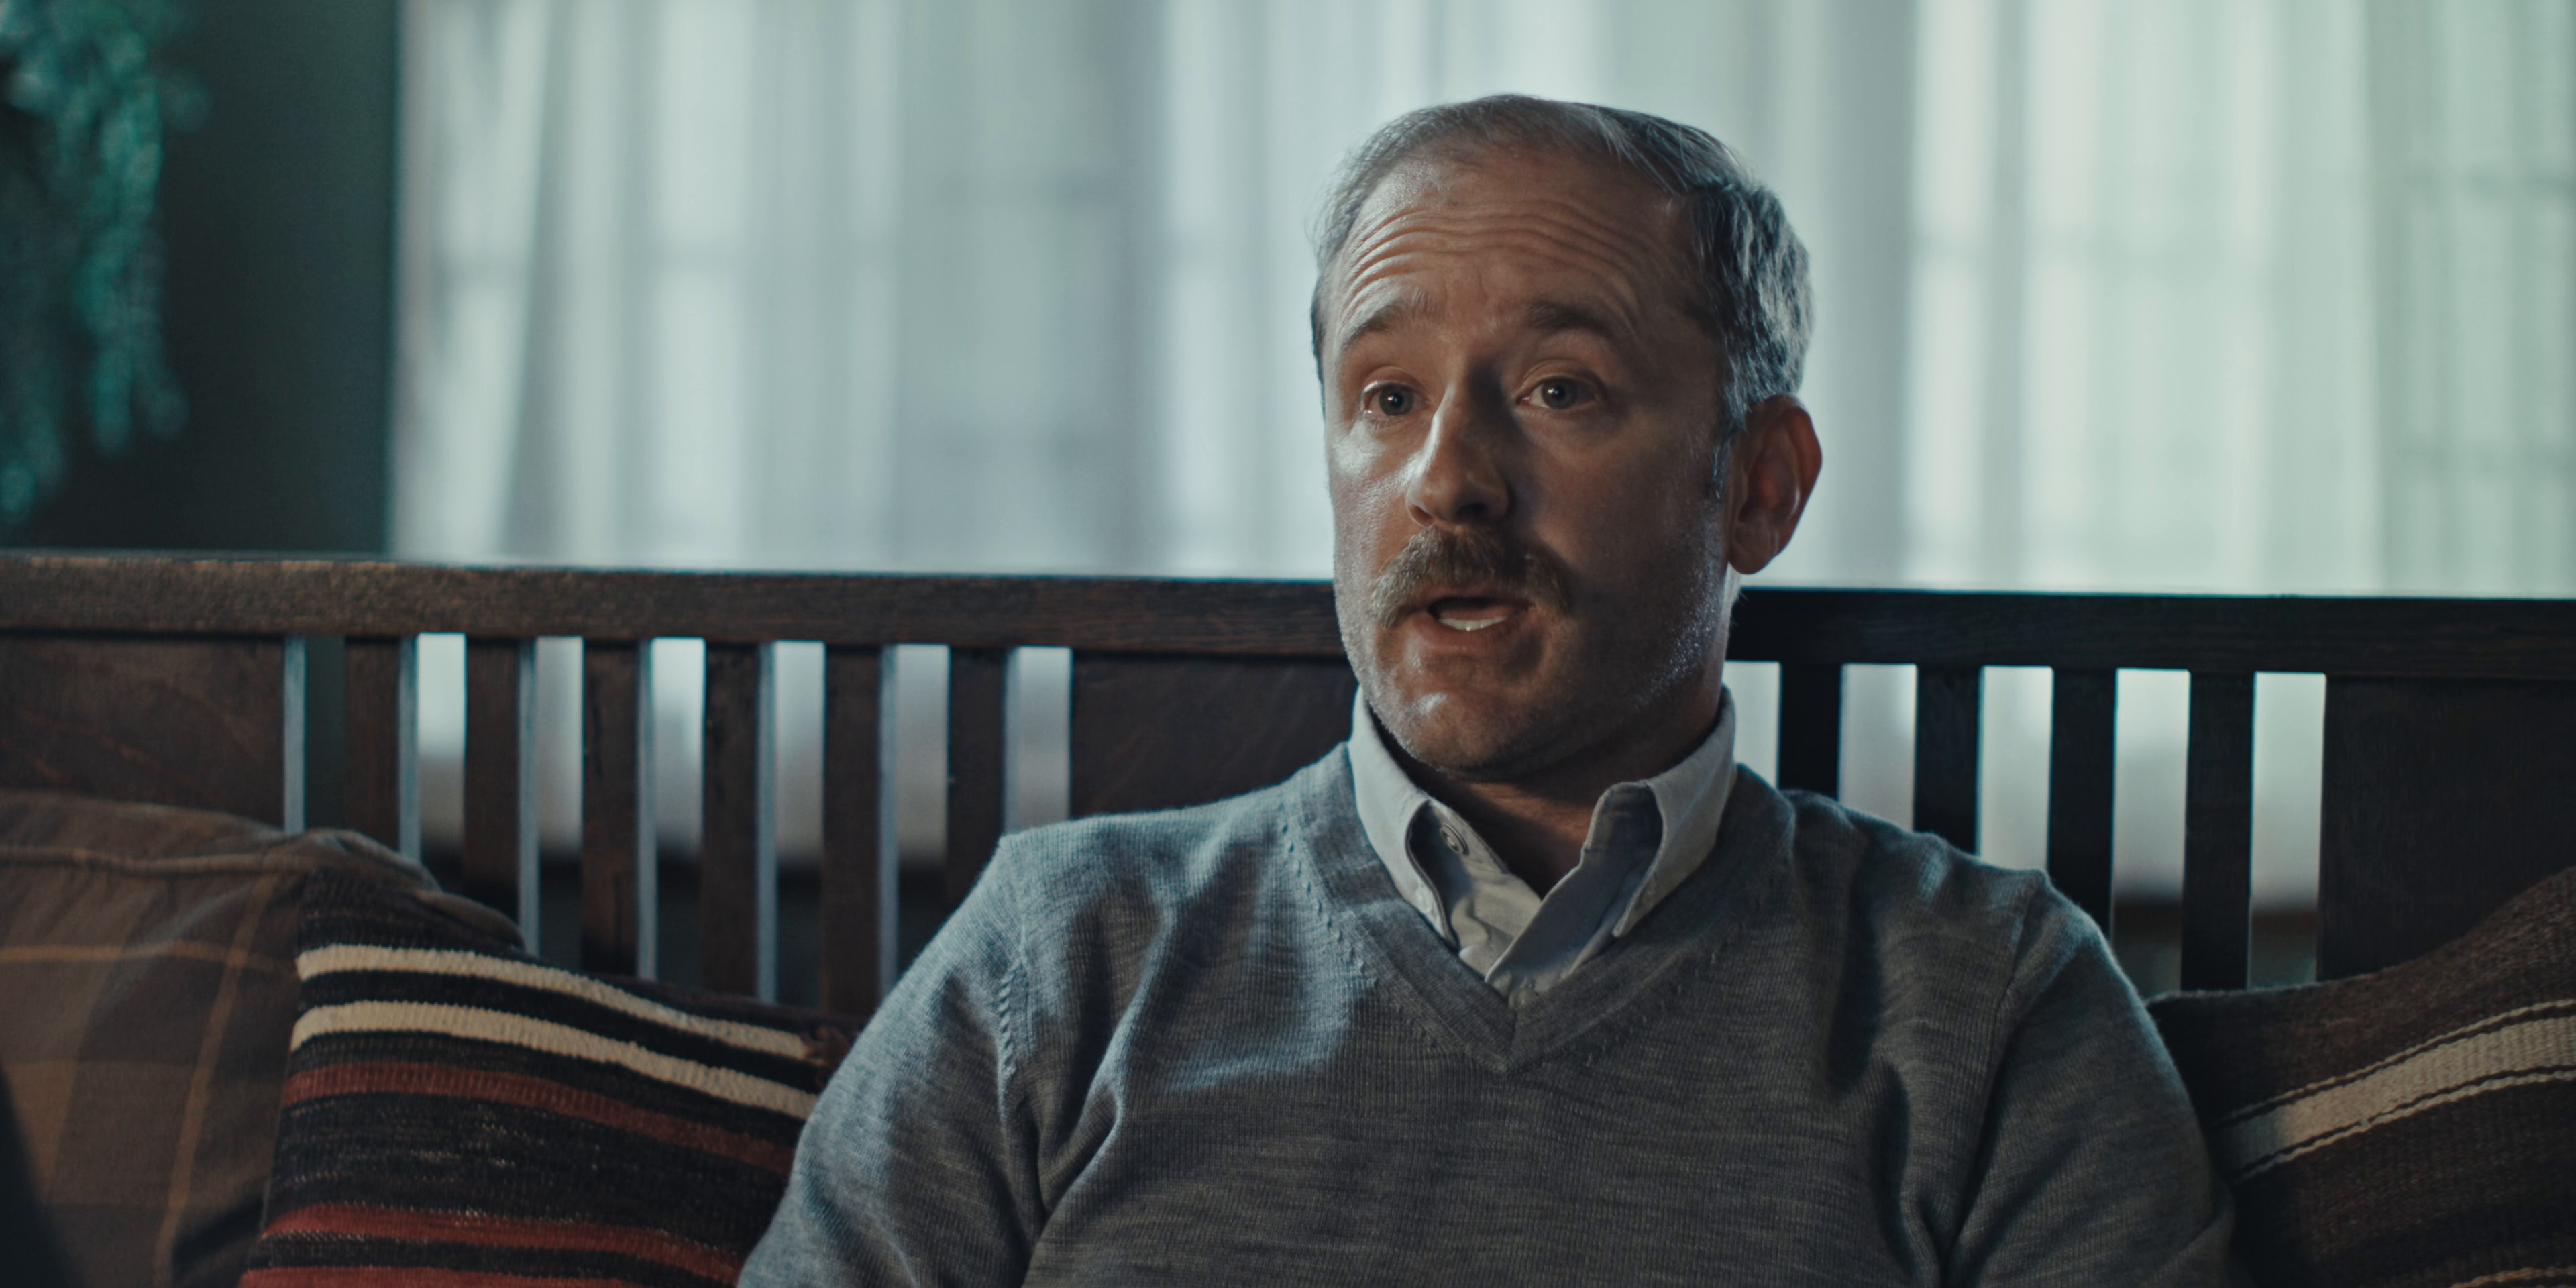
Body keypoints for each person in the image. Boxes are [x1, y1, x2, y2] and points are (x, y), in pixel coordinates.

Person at [742, 95, 2234, 1285]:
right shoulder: (1059, 959)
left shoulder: (1989, 1002)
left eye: (1558, 390)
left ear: (1759, 488)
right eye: (1387, 398)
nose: (1447, 477)